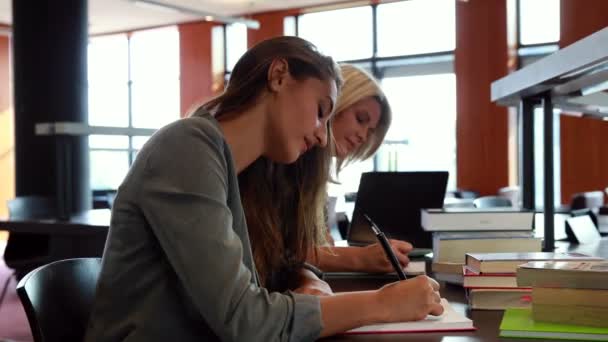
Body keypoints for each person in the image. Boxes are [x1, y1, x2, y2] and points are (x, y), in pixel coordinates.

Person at [85, 36, 442, 342]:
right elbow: (246, 321)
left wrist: (306, 277)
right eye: (320, 111)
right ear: (278, 75)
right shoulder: (187, 146)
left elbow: (274, 263)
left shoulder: (235, 167)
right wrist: (382, 304)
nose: (322, 135)